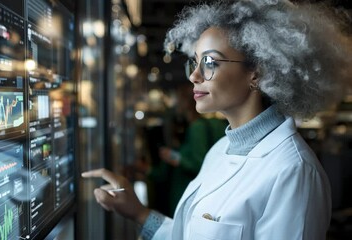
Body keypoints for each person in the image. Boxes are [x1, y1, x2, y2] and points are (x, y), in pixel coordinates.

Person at [82, 0, 352, 239]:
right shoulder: (220, 150)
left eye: (210, 63)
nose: (194, 76)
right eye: (195, 62)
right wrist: (138, 213)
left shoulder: (293, 172)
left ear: (257, 73)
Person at [147, 83, 227, 217]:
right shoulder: (209, 124)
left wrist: (174, 157)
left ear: (186, 102)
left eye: (178, 100)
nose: (175, 104)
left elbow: (199, 164)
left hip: (190, 197)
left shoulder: (197, 128)